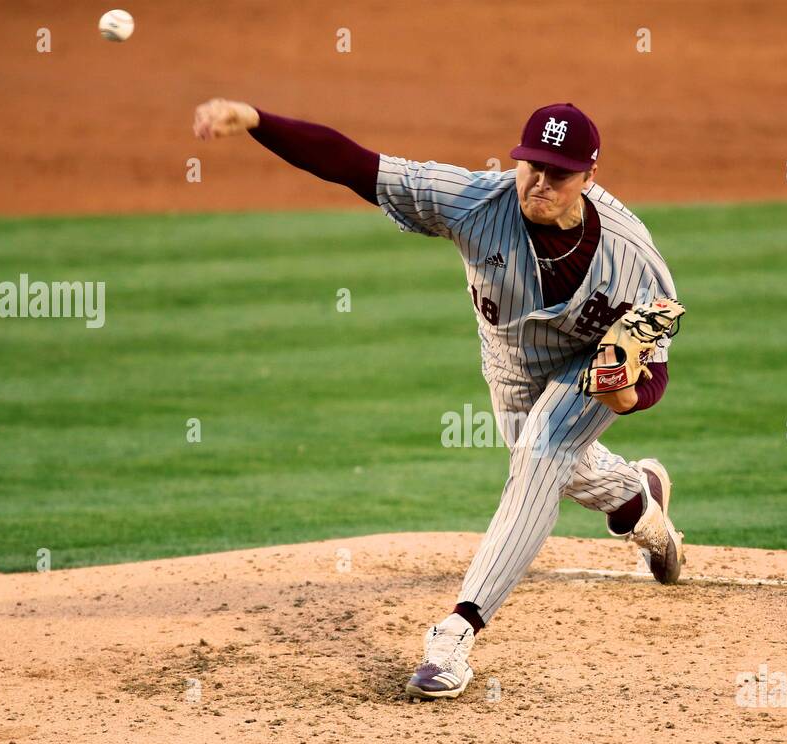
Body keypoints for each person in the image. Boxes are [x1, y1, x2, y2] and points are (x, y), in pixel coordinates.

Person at [192, 99, 685, 700]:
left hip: (585, 374)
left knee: (538, 457)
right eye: (531, 164)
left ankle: (454, 636)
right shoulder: (476, 202)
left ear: (589, 177)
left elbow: (653, 370)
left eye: (558, 172)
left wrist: (628, 394)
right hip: (508, 369)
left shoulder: (633, 259)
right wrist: (257, 121)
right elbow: (356, 166)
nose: (539, 181)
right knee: (557, 462)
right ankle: (638, 503)